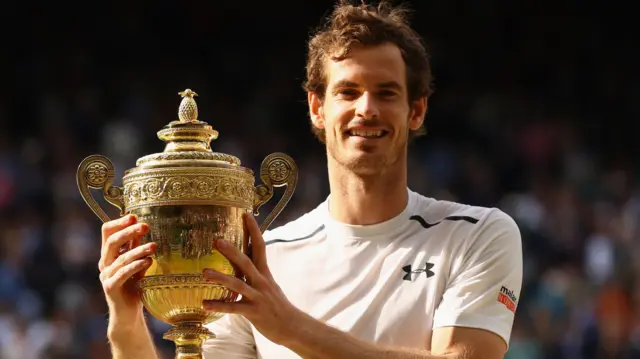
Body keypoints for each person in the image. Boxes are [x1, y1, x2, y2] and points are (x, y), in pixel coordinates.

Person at [98, 1, 523, 358]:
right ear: (317, 107)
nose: (367, 109)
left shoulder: (478, 234)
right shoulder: (263, 260)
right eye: (348, 91)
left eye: (387, 92)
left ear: (417, 111)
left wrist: (292, 329)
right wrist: (126, 318)